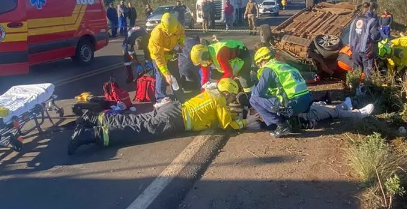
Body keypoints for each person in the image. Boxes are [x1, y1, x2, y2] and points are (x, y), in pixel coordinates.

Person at [67, 78, 253, 154]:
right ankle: (88, 135)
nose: (230, 99)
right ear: (227, 92)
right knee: (137, 130)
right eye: (231, 95)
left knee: (135, 120)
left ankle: (91, 118)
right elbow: (227, 125)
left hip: (172, 109)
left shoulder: (211, 91)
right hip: (175, 120)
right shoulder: (219, 100)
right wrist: (247, 121)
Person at [249, 47, 312, 138]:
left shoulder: (269, 69)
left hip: (292, 105)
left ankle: (281, 125)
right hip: (306, 102)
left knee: (253, 99)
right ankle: (294, 122)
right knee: (281, 95)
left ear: (261, 61)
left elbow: (257, 93)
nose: (259, 66)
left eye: (258, 64)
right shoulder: (285, 66)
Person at [148, 12, 185, 104]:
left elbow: (182, 35)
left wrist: (180, 44)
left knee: (175, 74)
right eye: (168, 32)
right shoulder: (157, 34)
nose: (171, 33)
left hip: (171, 53)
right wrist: (166, 73)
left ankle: (177, 95)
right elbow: (159, 57)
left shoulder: (178, 26)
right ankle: (161, 99)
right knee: (161, 76)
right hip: (159, 55)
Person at [348, 2, 381, 80]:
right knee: (368, 72)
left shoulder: (355, 20)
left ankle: (354, 88)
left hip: (354, 49)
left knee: (356, 71)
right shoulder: (372, 21)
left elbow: (351, 34)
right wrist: (382, 37)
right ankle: (366, 89)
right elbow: (376, 36)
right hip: (367, 51)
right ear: (373, 9)